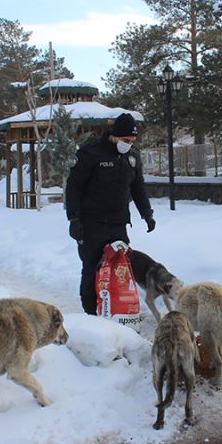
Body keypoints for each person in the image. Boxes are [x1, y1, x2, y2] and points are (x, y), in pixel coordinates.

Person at [66, 113, 156, 315]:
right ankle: (90, 313)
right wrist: (74, 219)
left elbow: (138, 187)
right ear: (114, 136)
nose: (128, 144)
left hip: (118, 224)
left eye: (132, 141)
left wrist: (147, 214)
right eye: (125, 140)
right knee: (91, 268)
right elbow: (73, 187)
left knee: (120, 269)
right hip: (91, 224)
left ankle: (116, 311)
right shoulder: (90, 153)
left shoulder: (132, 156)